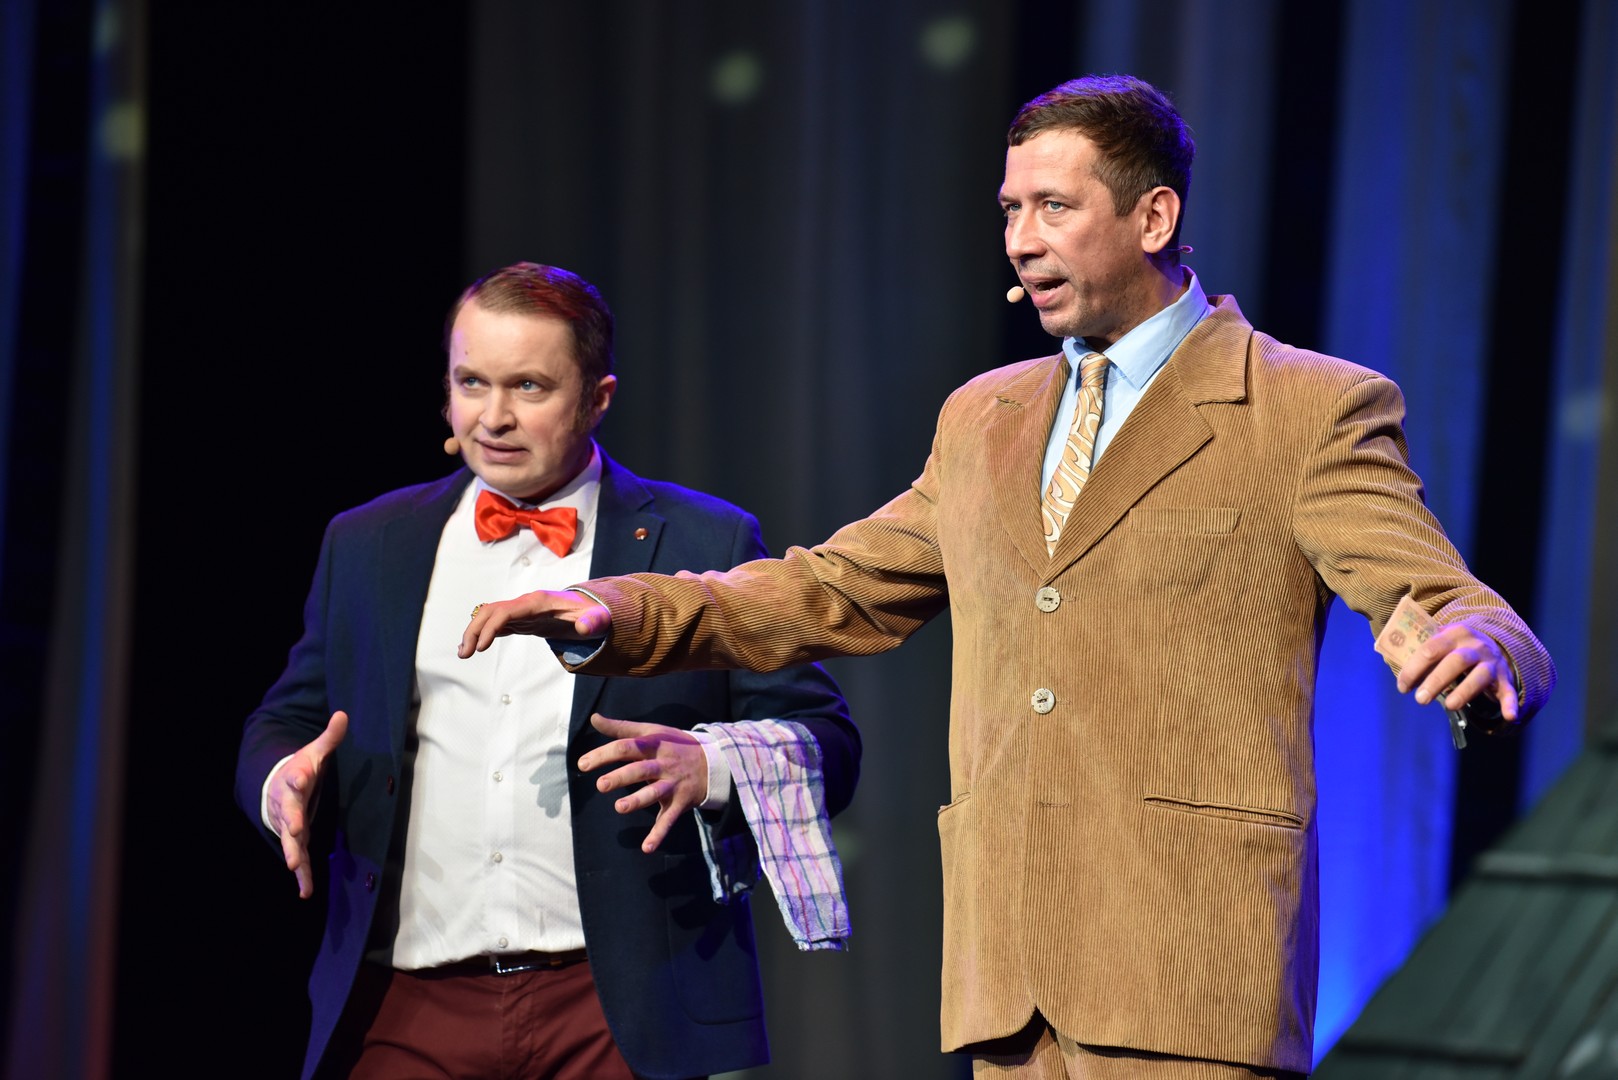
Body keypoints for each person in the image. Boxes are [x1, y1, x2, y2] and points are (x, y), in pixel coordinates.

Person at [459, 76, 1557, 1079]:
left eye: (1053, 208)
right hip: (1011, 980)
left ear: (1153, 218)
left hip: (1192, 971)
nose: (1021, 240)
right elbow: (831, 586)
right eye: (1009, 210)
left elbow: (1435, 592)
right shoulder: (985, 415)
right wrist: (616, 609)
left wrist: (1479, 645)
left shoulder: (1304, 406)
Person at [235, 262, 859, 1080]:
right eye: (472, 382)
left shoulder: (705, 539)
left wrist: (713, 767)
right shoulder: (368, 541)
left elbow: (828, 741)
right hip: (407, 1003)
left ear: (598, 398)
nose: (493, 416)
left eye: (528, 386)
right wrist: (282, 779)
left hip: (619, 1006)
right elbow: (287, 719)